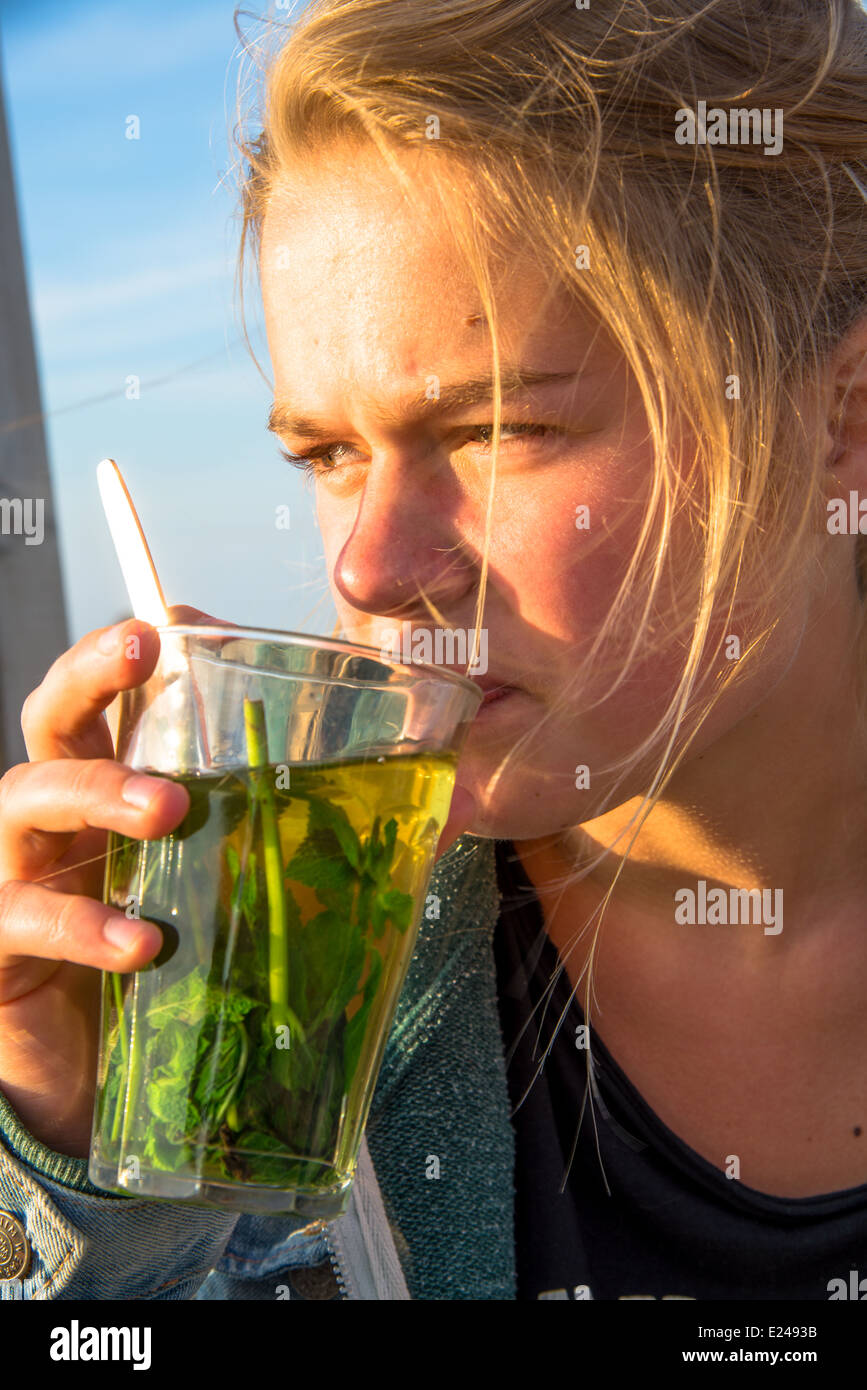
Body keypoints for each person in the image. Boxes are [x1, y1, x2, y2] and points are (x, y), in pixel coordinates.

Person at [1, 0, 867, 1301]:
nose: (364, 567)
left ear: (841, 425)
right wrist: (94, 1183)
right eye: (330, 453)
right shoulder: (296, 976)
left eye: (495, 428)